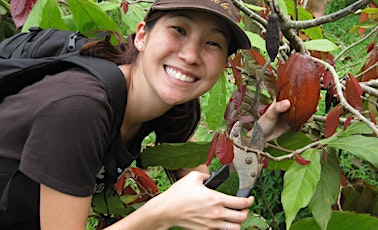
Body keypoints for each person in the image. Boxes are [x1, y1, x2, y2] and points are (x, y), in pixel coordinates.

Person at [0, 0, 291, 229]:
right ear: (141, 35)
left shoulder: (172, 105)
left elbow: (202, 190)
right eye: (179, 29)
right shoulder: (80, 108)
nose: (190, 55)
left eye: (212, 43)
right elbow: (177, 205)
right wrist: (162, 213)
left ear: (223, 67)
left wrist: (255, 140)